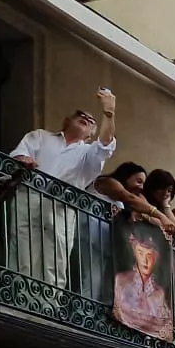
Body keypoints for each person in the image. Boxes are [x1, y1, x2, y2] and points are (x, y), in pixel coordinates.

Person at [8, 90, 117, 287]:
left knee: (54, 259)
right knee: (22, 253)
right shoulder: (41, 136)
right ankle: (20, 299)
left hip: (61, 207)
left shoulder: (88, 152)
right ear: (68, 120)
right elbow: (19, 153)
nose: (86, 118)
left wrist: (108, 113)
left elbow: (105, 146)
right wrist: (23, 159)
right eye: (80, 115)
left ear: (92, 133)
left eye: (91, 121)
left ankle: (48, 307)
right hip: (29, 197)